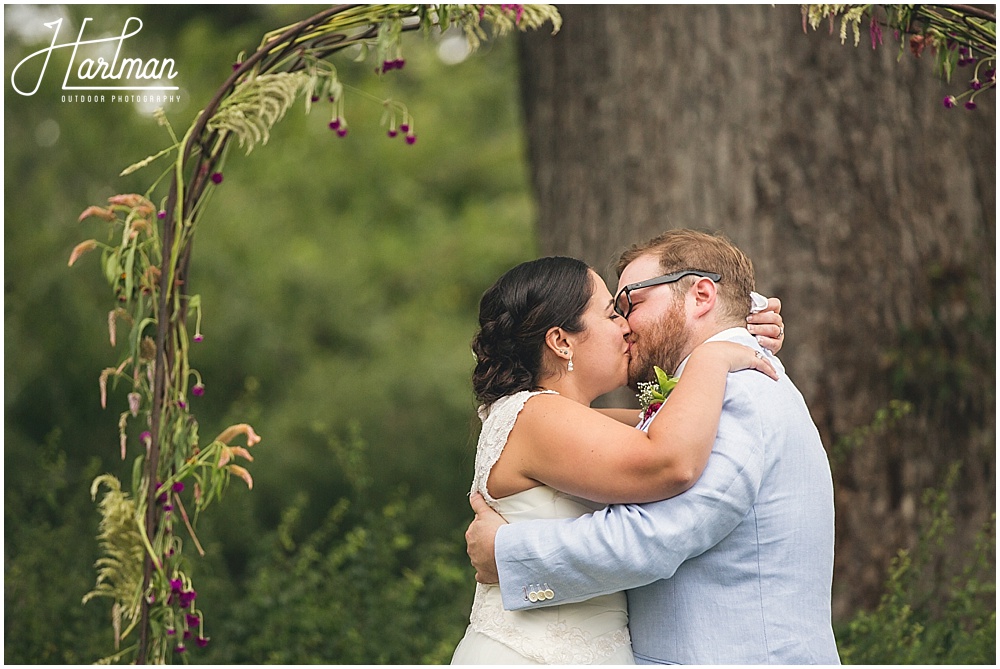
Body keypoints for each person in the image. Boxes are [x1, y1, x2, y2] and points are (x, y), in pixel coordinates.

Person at [464, 230, 840, 665]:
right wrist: (716, 351)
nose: (625, 325)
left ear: (701, 296)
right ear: (560, 340)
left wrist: (509, 554)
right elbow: (660, 457)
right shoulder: (546, 416)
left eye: (632, 304)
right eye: (613, 312)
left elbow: (654, 532)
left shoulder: (738, 394)